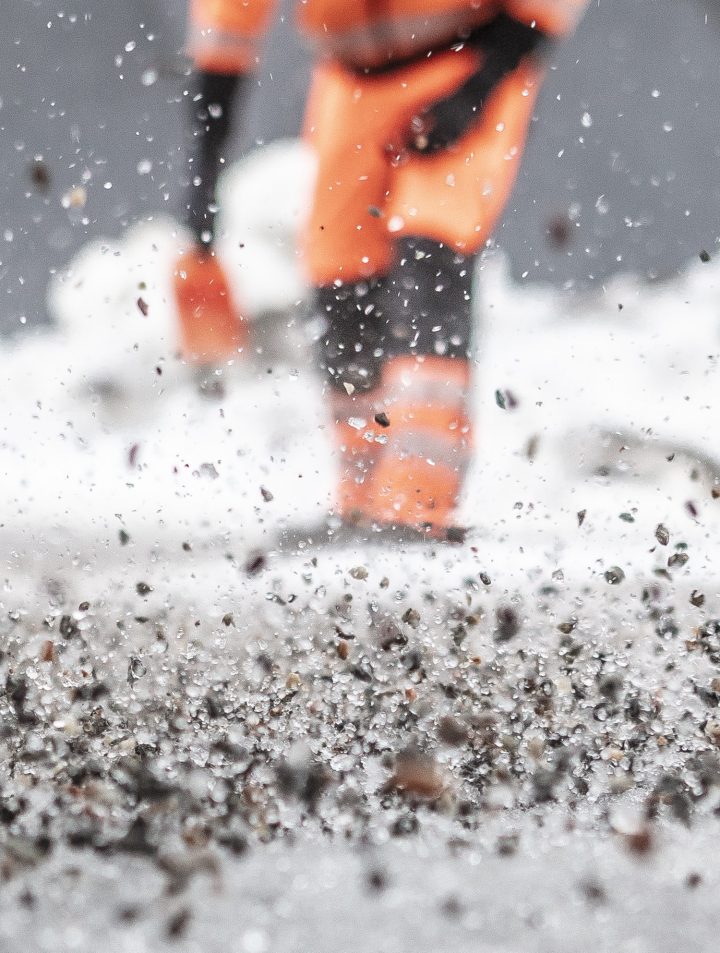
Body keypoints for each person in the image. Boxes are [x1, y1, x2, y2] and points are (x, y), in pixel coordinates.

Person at [173, 0, 589, 539]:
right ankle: (362, 500)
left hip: (463, 63)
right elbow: (227, 27)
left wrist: (480, 86)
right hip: (350, 83)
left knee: (431, 250)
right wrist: (204, 168)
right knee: (341, 277)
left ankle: (420, 502)